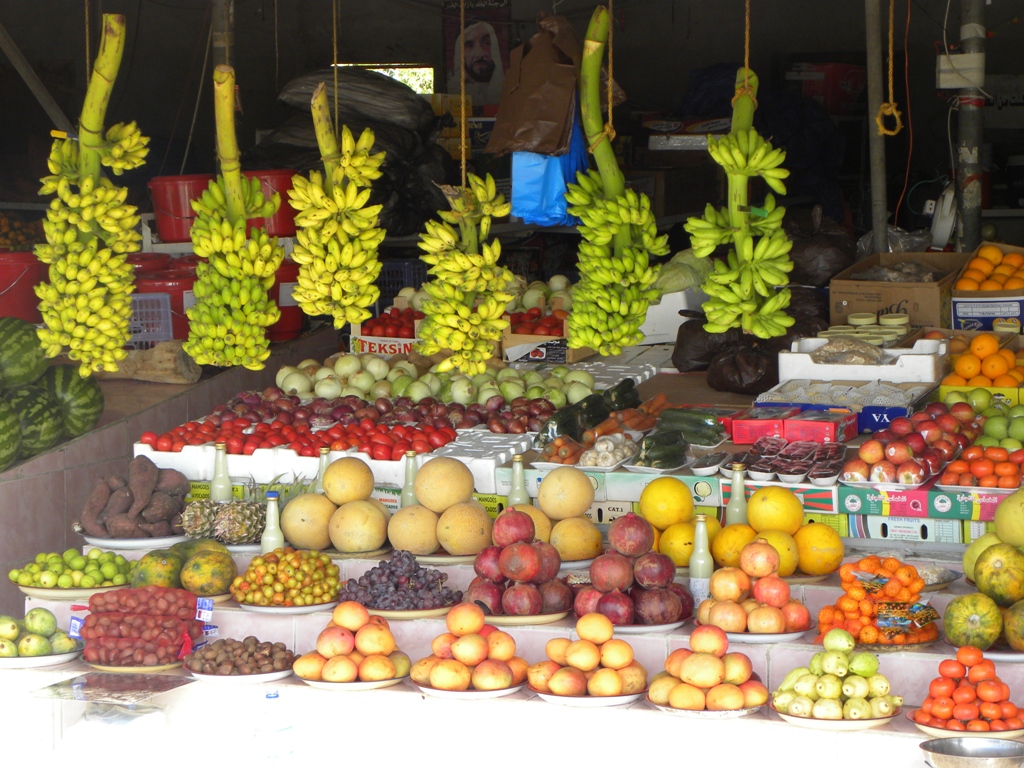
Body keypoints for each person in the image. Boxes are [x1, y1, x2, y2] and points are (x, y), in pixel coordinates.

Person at [448, 20, 505, 106]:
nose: (479, 54)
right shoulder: (452, 90)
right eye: (469, 46)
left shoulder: (510, 88)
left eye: (486, 43)